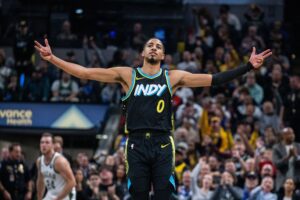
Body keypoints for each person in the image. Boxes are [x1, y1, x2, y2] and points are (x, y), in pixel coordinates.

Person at [34, 37, 272, 200]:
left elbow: (215, 79)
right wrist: (52, 59)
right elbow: (84, 73)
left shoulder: (173, 77)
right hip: (135, 143)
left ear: (164, 54)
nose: (154, 48)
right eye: (150, 45)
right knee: (137, 194)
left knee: (164, 195)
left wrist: (248, 67)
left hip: (163, 143)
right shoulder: (127, 75)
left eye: (158, 46)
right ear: (143, 52)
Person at [36, 132, 76, 200]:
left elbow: (72, 182)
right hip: (51, 193)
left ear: (53, 145)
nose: (44, 145)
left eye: (47, 142)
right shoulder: (39, 161)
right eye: (42, 142)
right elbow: (40, 181)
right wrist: (39, 198)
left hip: (66, 194)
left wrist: (58, 198)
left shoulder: (59, 161)